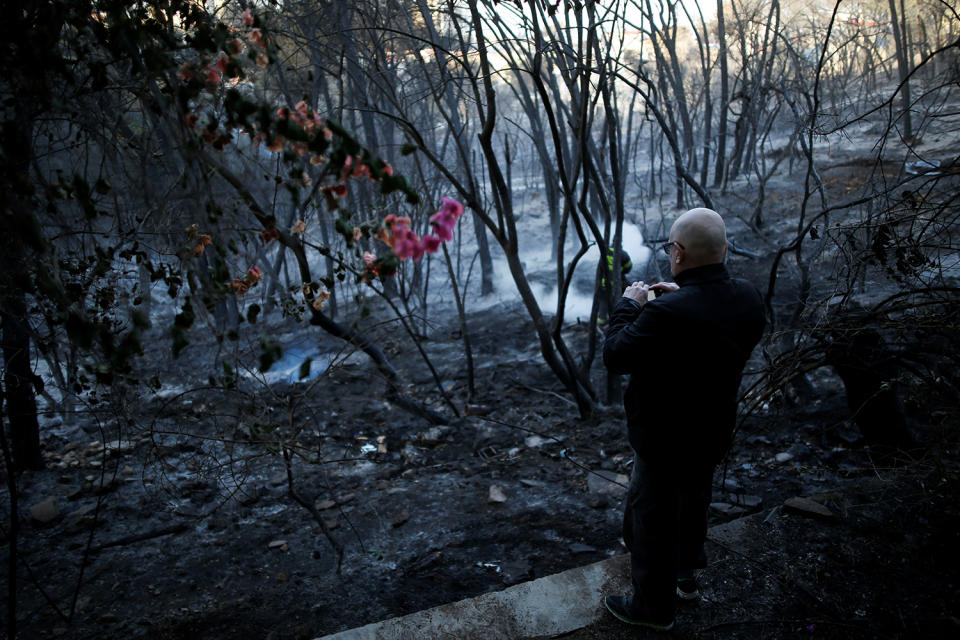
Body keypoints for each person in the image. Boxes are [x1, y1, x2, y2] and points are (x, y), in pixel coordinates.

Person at [602, 208, 765, 630]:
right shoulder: (747, 296)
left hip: (663, 437)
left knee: (651, 516)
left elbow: (616, 354)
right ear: (725, 248)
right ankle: (686, 578)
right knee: (694, 501)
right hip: (713, 429)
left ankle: (652, 611)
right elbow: (708, 323)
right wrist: (679, 295)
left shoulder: (666, 313)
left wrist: (628, 304)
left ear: (677, 252)